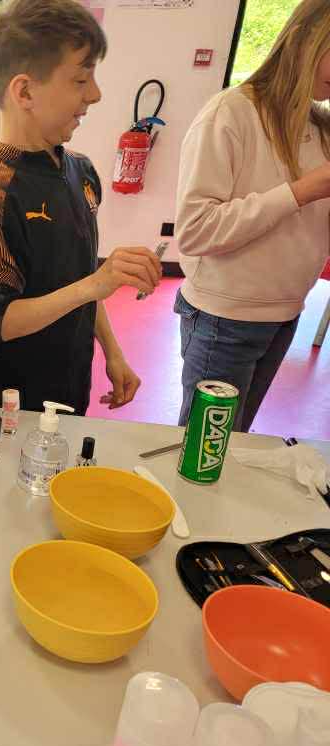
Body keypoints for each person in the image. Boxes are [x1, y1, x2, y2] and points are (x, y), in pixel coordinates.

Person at [0, 0, 162, 415]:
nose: (95, 95)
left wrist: (111, 351)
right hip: (9, 403)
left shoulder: (82, 171)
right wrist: (95, 284)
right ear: (24, 91)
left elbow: (81, 279)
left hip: (72, 383)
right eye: (80, 80)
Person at [175, 0, 330, 432]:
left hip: (284, 313)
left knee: (233, 442)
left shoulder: (320, 128)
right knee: (203, 449)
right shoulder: (231, 113)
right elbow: (195, 230)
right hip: (226, 317)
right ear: (303, 43)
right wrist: (301, 192)